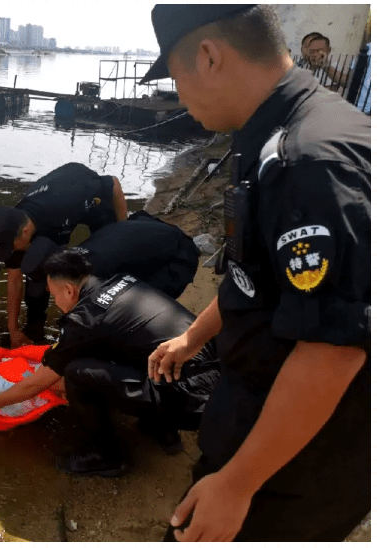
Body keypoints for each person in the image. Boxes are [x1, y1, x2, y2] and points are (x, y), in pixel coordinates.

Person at [141, 4, 369, 542]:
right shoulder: (276, 131)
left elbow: (333, 347)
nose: (179, 96)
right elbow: (261, 274)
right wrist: (193, 337)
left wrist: (238, 484)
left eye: (176, 78)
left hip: (293, 461)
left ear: (209, 56)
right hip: (261, 420)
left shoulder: (306, 160)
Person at [0, 250, 220, 476]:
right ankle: (163, 432)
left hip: (191, 401)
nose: (55, 301)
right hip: (216, 377)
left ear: (69, 291)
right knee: (127, 347)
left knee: (76, 374)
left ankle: (106, 456)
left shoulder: (85, 318)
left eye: (54, 296)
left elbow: (39, 381)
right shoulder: (123, 281)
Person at [0, 162, 128, 348]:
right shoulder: (13, 226)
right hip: (50, 217)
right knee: (36, 273)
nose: (9, 253)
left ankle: (92, 327)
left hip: (85, 198)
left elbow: (113, 183)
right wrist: (13, 330)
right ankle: (34, 332)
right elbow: (14, 278)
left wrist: (124, 230)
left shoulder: (67, 204)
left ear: (26, 232)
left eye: (9, 248)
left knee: (101, 261)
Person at [20, 210, 199, 300]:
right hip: (149, 233)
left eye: (46, 285)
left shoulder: (97, 273)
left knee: (132, 308)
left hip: (178, 255)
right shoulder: (78, 256)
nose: (47, 291)